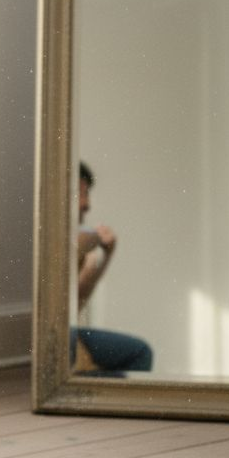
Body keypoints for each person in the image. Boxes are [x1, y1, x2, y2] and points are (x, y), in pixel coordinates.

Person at [70, 161, 153, 375]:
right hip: (43, 335)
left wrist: (104, 258)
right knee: (67, 339)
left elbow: (74, 308)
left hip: (66, 329)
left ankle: (84, 391)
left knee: (140, 351)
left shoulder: (79, 240)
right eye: (81, 193)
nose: (87, 204)